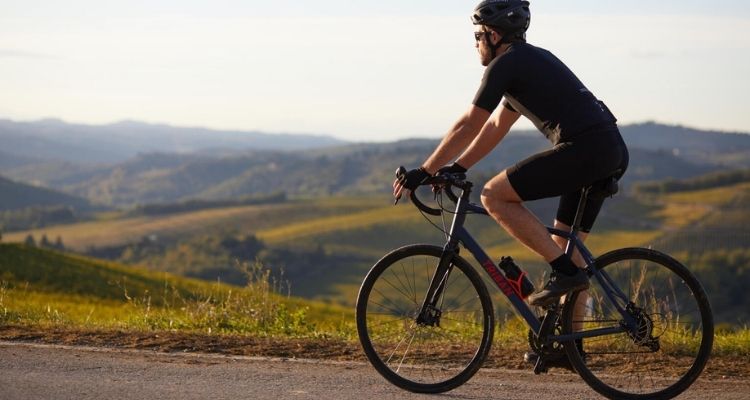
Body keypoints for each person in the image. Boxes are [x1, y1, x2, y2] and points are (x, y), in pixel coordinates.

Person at [392, 0, 629, 366]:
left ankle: (565, 276)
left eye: (477, 36)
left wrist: (424, 170)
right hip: (607, 148)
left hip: (585, 149)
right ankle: (572, 347)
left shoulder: (506, 64)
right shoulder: (528, 63)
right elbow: (493, 127)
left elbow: (469, 123)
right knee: (567, 248)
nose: (475, 44)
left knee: (494, 195)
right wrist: (457, 166)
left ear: (493, 34)